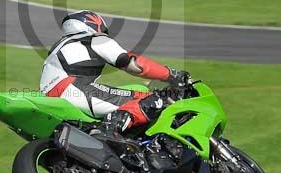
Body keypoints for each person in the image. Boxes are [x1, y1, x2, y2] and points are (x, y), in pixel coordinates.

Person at [40, 10, 189, 136]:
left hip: (51, 96)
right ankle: (107, 132)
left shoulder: (61, 45)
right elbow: (132, 64)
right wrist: (172, 74)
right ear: (94, 23)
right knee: (153, 99)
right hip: (73, 89)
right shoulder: (94, 39)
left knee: (136, 95)